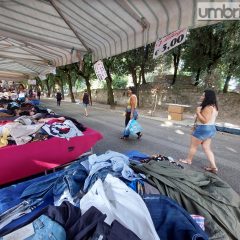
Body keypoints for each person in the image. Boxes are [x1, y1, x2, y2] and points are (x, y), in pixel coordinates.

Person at [179, 89, 219, 174]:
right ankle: (213, 167)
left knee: (193, 146)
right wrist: (195, 124)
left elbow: (205, 120)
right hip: (211, 128)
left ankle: (188, 160)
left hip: (203, 128)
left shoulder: (208, 107)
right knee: (207, 148)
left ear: (207, 97)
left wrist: (198, 112)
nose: (201, 96)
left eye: (203, 95)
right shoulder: (214, 106)